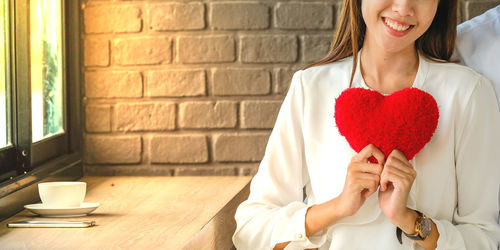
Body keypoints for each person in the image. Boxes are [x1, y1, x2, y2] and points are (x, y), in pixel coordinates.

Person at [232, 0, 500, 249]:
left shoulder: (468, 93)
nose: (403, 7)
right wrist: (338, 207)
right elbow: (251, 228)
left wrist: (411, 221)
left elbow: (484, 237)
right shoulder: (310, 88)